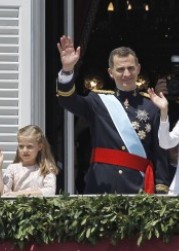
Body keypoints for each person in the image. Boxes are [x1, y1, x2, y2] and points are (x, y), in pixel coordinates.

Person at [55, 35, 169, 194]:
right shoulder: (98, 101)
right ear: (110, 72)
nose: (126, 74)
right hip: (102, 185)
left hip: (139, 187)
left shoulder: (152, 105)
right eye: (120, 69)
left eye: (130, 68)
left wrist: (161, 187)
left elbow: (160, 152)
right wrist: (67, 70)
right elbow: (67, 100)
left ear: (138, 69)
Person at [0, 125, 58, 197]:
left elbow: (50, 191)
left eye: (29, 146)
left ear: (39, 147)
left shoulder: (46, 169)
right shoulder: (12, 169)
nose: (25, 150)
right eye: (21, 146)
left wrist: (17, 194)